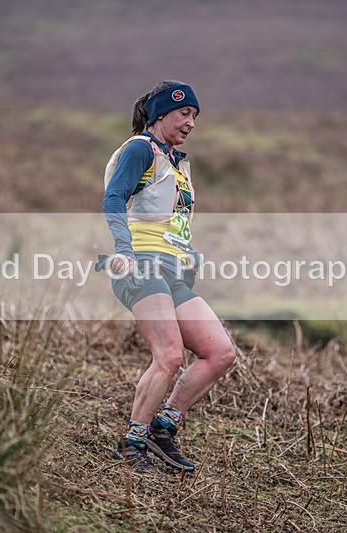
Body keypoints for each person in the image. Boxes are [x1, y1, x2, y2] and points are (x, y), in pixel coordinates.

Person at [102, 80, 236, 472]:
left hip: (173, 272)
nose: (191, 122)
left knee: (220, 353)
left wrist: (188, 250)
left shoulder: (176, 162)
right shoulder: (141, 148)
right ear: (161, 114)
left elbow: (168, 219)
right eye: (184, 114)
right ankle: (132, 444)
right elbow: (114, 197)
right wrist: (124, 249)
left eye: (195, 116)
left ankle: (163, 427)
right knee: (170, 355)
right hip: (141, 265)